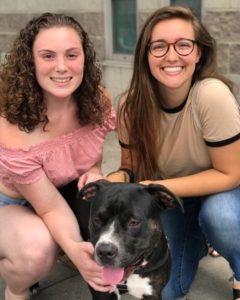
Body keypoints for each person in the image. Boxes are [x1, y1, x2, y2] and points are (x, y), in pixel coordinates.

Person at [106, 6, 240, 300]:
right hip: (173, 199)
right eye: (159, 46)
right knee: (167, 290)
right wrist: (112, 179)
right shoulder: (131, 105)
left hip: (221, 191)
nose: (171, 55)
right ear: (145, 54)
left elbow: (231, 174)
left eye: (183, 44)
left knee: (222, 217)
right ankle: (201, 237)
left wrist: (154, 188)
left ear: (198, 53)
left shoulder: (211, 94)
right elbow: (132, 168)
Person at [0, 13, 115, 300]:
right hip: (10, 200)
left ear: (84, 59)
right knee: (37, 252)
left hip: (55, 191)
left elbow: (90, 158)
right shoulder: (13, 124)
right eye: (48, 56)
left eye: (72, 55)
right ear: (30, 62)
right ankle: (17, 288)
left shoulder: (96, 100)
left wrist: (96, 171)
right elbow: (49, 206)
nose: (62, 67)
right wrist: (76, 250)